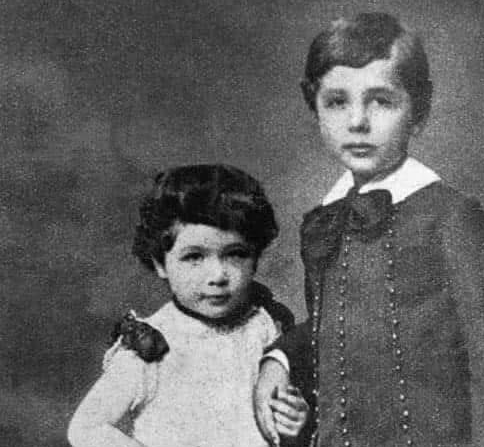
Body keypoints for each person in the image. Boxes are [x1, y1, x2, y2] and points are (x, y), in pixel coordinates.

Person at [254, 12, 484, 447]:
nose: (357, 122)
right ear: (314, 107)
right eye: (337, 102)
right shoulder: (326, 218)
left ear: (418, 110)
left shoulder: (452, 218)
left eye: (381, 101)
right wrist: (280, 359)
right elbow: (336, 326)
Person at [68, 164, 308, 447]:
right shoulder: (151, 346)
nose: (217, 276)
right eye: (194, 257)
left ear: (255, 257)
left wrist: (293, 419)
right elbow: (87, 427)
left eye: (235, 254)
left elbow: (283, 417)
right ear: (160, 263)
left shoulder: (264, 325)